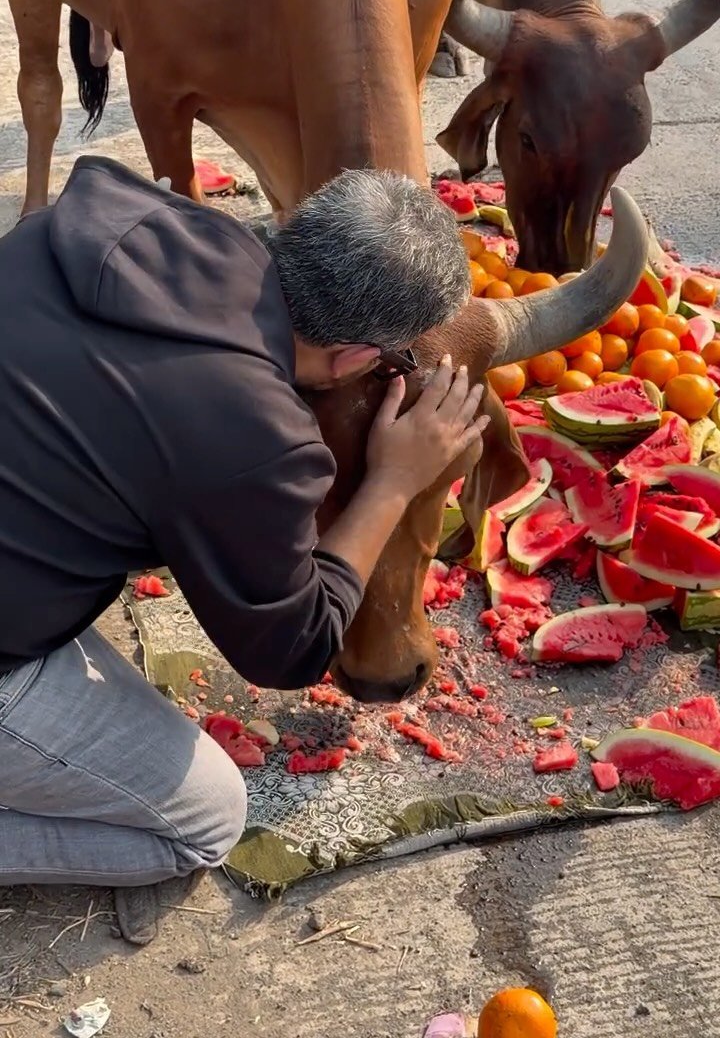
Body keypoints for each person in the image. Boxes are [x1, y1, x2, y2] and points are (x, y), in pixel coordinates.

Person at [0, 155, 486, 944]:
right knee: (203, 821)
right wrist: (394, 483)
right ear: (362, 360)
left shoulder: (109, 219)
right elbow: (289, 651)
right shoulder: (250, 430)